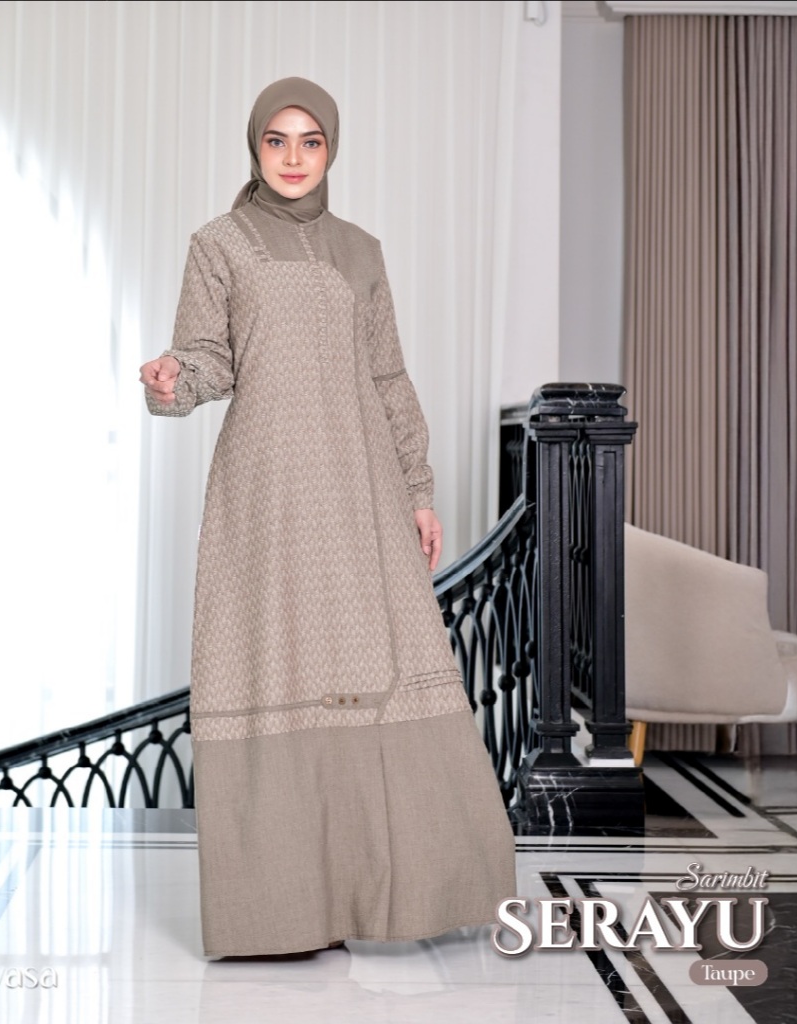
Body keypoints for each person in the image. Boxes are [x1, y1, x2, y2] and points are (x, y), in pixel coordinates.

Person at [140, 77, 515, 958]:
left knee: (389, 667)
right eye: (277, 141)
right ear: (255, 147)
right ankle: (282, 911)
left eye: (311, 141)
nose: (294, 157)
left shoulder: (361, 251)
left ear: (331, 149)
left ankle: (412, 891)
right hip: (266, 495)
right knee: (275, 666)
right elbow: (208, 359)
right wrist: (172, 381)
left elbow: (388, 376)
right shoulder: (219, 244)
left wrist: (418, 489)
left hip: (362, 490)